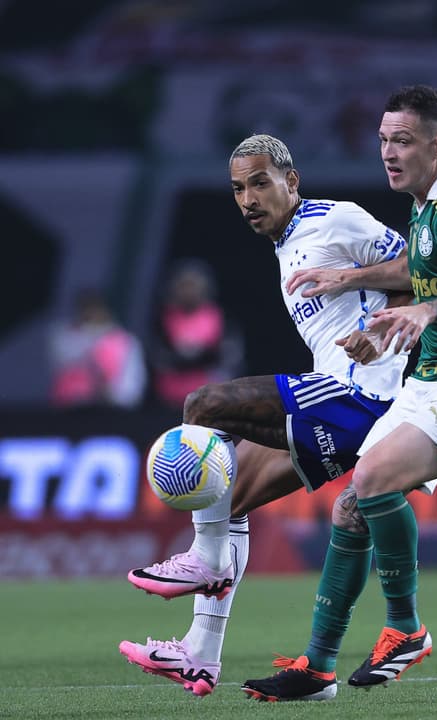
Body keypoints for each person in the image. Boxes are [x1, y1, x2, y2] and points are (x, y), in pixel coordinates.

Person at [240, 84, 437, 700]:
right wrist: (353, 279)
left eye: (403, 141)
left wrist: (425, 315)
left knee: (370, 479)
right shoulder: (426, 204)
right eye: (383, 141)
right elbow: (418, 269)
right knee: (352, 504)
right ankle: (317, 668)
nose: (389, 153)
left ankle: (406, 628)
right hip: (436, 376)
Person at [118, 133, 410, 698]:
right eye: (237, 189)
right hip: (344, 402)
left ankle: (206, 559)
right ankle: (200, 655)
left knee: (202, 406)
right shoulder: (287, 245)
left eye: (259, 183)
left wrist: (381, 329)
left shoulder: (335, 219)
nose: (248, 198)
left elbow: (420, 267)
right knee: (224, 493)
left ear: (291, 181)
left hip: (358, 395)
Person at [149, 259, 243, 409]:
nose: (189, 292)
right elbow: (157, 357)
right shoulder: (163, 317)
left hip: (206, 399)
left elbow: (229, 358)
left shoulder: (219, 318)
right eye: (184, 286)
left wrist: (196, 356)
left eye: (193, 286)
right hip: (167, 399)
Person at [48, 288, 147, 409]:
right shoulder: (65, 338)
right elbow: (62, 364)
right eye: (86, 309)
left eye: (96, 309)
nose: (91, 314)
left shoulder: (126, 341)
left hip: (113, 411)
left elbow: (132, 383)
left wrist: (114, 395)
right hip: (70, 410)